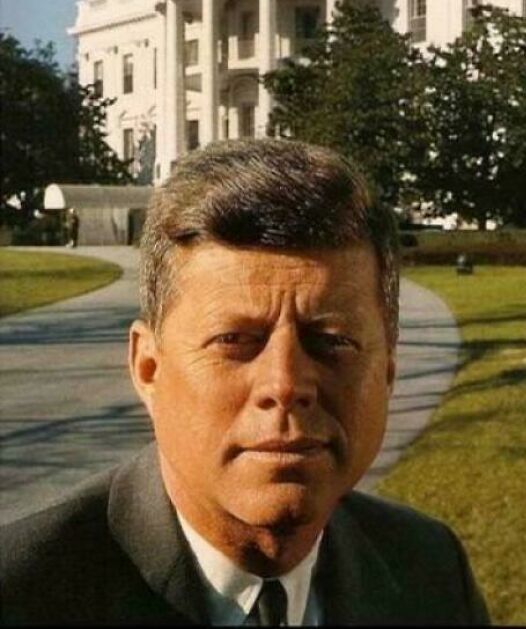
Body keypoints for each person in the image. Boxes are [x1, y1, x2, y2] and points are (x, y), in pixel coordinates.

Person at [0, 140, 490, 626]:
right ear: (148, 368)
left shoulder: (429, 568)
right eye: (235, 340)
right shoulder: (22, 593)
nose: (285, 382)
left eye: (333, 341)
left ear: (387, 371)